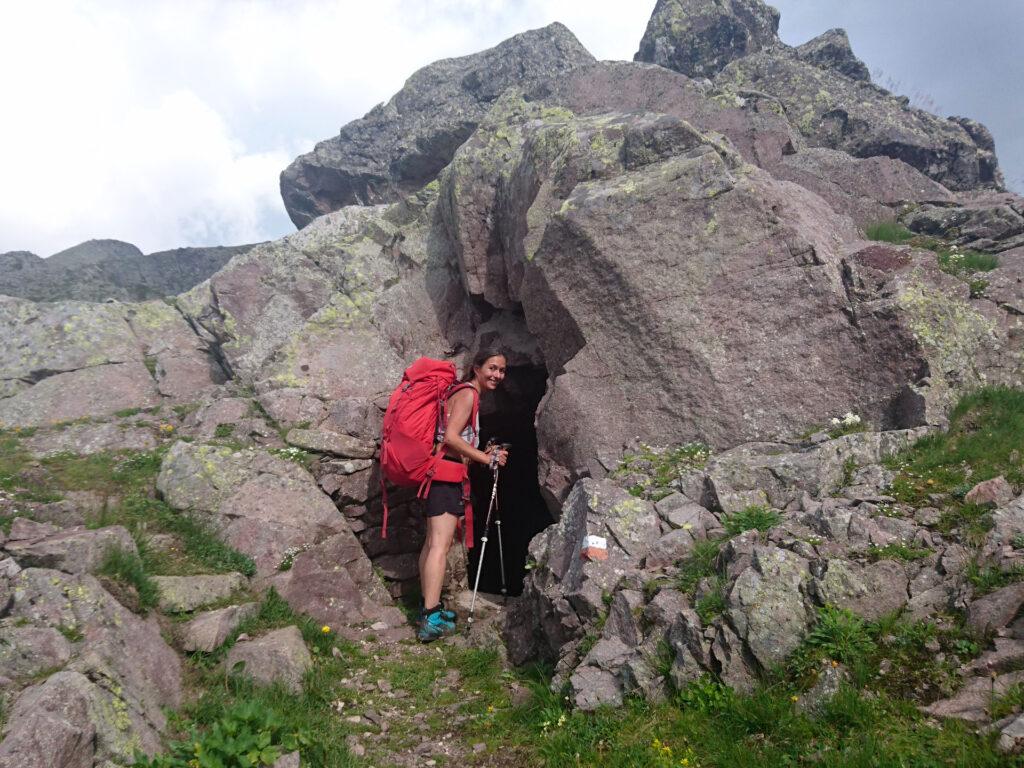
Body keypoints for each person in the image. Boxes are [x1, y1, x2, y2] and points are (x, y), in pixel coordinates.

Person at [417, 347, 508, 642]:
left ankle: (429, 609)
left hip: (443, 473)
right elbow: (452, 438)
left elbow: (454, 440)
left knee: (432, 544)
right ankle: (430, 619)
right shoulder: (469, 394)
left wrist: (482, 453)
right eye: (492, 368)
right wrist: (487, 460)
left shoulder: (462, 393)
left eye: (502, 370)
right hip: (445, 476)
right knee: (439, 546)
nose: (497, 375)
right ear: (477, 368)